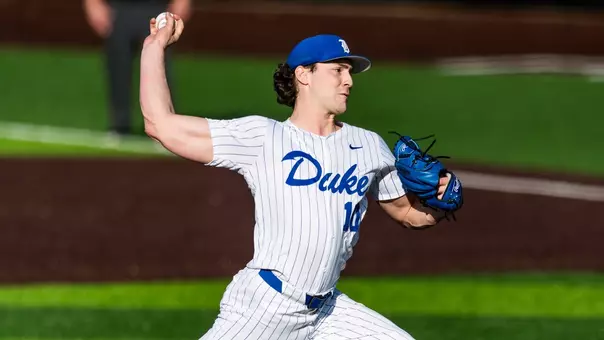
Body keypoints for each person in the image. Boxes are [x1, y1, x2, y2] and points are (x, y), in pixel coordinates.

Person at [139, 14, 456, 340]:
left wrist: (439, 203)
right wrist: (154, 45)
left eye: (349, 72)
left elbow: (406, 212)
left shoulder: (369, 146)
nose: (349, 81)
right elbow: (159, 124)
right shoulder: (264, 138)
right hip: (265, 308)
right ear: (304, 75)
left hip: (328, 312)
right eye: (338, 70)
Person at [83, 0, 191, 137]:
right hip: (118, 8)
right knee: (118, 68)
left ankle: (166, 129)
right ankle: (119, 127)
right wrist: (92, 3)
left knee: (160, 68)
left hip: (157, 6)